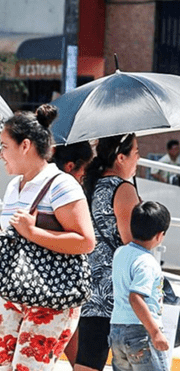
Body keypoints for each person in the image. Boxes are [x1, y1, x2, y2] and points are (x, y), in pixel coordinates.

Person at [0, 104, 96, 371]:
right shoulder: (14, 187)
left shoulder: (62, 184)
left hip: (53, 297)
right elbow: (7, 244)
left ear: (25, 146)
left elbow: (85, 241)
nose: (0, 154)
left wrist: (33, 232)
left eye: (4, 146)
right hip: (14, 294)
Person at [75, 133, 141, 371]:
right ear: (121, 158)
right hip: (116, 292)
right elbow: (132, 245)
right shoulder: (122, 189)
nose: (139, 158)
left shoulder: (90, 184)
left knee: (87, 361)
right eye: (135, 153)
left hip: (89, 287)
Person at [110, 201, 170, 371]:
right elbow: (135, 298)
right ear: (159, 235)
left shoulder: (120, 252)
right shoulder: (147, 262)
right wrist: (155, 332)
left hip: (117, 329)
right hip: (141, 332)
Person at [50, 140, 94, 367]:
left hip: (33, 289)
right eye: (83, 171)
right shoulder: (67, 192)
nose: (84, 177)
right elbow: (85, 242)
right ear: (70, 166)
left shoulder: (33, 184)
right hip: (59, 289)